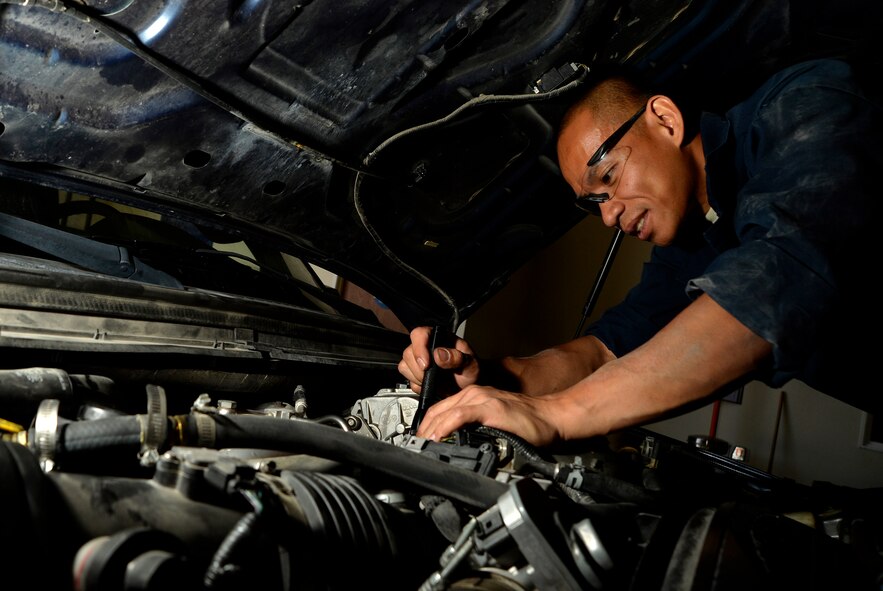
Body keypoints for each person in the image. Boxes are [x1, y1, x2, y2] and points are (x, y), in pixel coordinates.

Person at [398, 57, 882, 448]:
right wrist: (490, 376)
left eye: (608, 178)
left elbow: (775, 280)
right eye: (595, 204)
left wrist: (561, 414)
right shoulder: (690, 244)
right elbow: (602, 352)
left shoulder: (808, 103)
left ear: (665, 121)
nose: (609, 217)